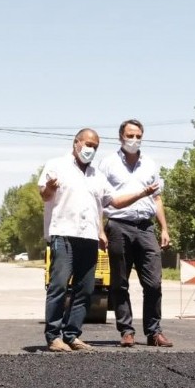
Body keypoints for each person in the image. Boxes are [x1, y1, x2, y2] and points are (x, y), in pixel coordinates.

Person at [39, 128, 159, 352]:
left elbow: (114, 201)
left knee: (84, 290)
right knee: (58, 286)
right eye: (88, 145)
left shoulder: (97, 176)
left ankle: (72, 334)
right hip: (64, 234)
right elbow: (44, 196)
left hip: (89, 237)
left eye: (94, 147)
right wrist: (49, 188)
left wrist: (142, 194)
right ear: (76, 143)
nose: (90, 150)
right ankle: (53, 336)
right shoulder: (56, 166)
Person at [98, 119, 173, 348]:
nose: (134, 139)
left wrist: (164, 228)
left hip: (145, 227)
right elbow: (99, 199)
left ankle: (153, 331)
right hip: (118, 226)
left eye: (138, 135)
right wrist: (100, 229)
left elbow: (157, 198)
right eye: (130, 135)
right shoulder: (107, 163)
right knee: (120, 283)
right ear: (121, 137)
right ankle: (127, 331)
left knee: (153, 283)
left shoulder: (150, 164)